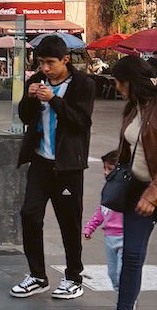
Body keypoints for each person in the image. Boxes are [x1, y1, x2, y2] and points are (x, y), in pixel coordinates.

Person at [10, 35, 95, 300]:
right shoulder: (35, 81)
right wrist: (32, 98)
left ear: (65, 60)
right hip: (40, 162)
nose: (45, 68)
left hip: (68, 166)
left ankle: (73, 278)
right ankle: (37, 275)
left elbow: (81, 122)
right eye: (41, 62)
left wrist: (55, 101)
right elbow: (24, 116)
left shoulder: (83, 84)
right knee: (29, 214)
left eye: (50, 63)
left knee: (69, 223)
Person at [111, 55, 157, 310]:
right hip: (137, 190)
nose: (117, 88)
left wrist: (153, 192)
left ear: (131, 82)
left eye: (119, 82)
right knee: (131, 255)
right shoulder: (132, 106)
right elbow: (132, 145)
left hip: (152, 191)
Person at [82, 150, 123, 291]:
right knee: (112, 273)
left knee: (121, 272)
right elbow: (101, 210)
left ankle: (127, 302)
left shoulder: (126, 190)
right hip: (109, 238)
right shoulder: (108, 190)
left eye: (109, 169)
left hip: (124, 237)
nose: (105, 172)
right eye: (104, 168)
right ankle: (122, 300)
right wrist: (90, 227)